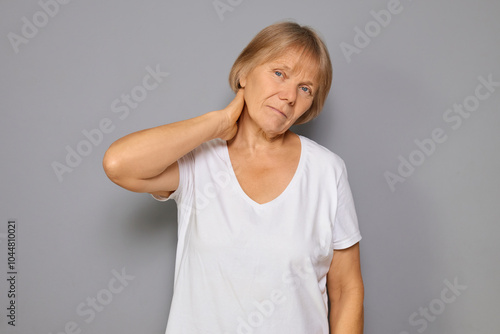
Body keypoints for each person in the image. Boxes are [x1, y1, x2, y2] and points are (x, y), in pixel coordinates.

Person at [103, 21, 364, 334]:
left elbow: (346, 290)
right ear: (244, 74)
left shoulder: (326, 171)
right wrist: (218, 123)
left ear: (310, 106)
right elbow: (119, 164)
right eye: (280, 73)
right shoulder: (199, 161)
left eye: (305, 89)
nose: (289, 96)